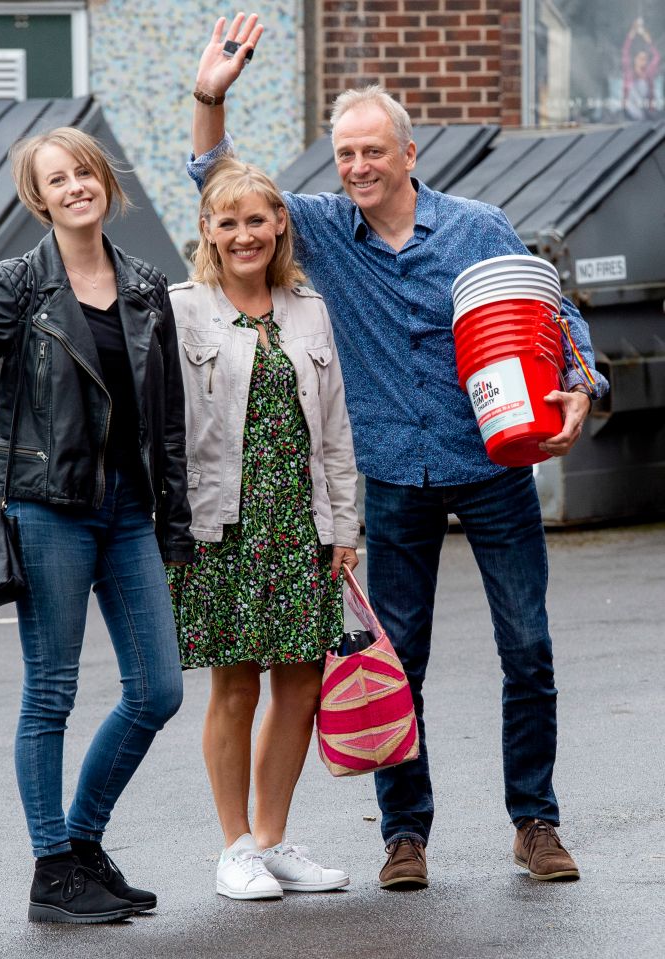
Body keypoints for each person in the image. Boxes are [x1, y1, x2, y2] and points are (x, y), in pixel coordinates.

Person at [187, 13, 610, 890]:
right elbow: (218, 184)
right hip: (390, 473)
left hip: (491, 461)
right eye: (344, 154)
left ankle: (535, 821)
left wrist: (584, 382)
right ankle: (403, 834)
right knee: (395, 658)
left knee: (526, 645)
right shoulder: (320, 231)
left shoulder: (475, 226)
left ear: (409, 153)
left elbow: (550, 306)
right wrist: (208, 97)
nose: (358, 168)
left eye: (373, 151)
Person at [0, 127, 193, 923]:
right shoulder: (19, 281)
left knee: (157, 690)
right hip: (47, 504)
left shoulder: (146, 285)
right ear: (39, 197)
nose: (73, 187)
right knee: (50, 692)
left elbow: (167, 421)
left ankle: (83, 842)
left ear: (103, 181)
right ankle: (51, 870)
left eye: (82, 171)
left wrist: (177, 526)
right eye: (56, 179)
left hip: (129, 511)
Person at [168, 156, 360, 899]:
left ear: (279, 223)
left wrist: (345, 526)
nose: (244, 234)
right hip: (225, 522)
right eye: (229, 222)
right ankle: (233, 846)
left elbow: (336, 430)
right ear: (207, 231)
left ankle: (274, 840)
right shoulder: (183, 308)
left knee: (303, 681)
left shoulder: (307, 308)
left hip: (302, 520)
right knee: (235, 682)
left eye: (257, 219)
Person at [622, 17, 661, 121]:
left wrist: (648, 40)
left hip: (646, 116)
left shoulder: (649, 73)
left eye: (645, 59)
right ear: (635, 59)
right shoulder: (629, 74)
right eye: (640, 58)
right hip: (630, 115)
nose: (643, 61)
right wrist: (632, 33)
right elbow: (625, 51)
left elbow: (657, 56)